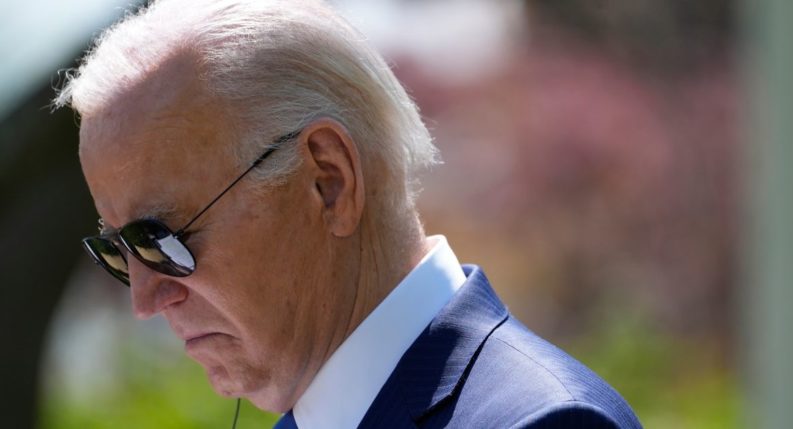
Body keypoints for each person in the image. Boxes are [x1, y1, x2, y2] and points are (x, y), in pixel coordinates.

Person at [55, 1, 642, 428]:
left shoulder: (541, 422)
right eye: (118, 252)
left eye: (158, 238)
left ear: (328, 181)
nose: (144, 299)